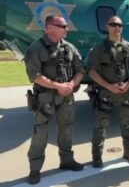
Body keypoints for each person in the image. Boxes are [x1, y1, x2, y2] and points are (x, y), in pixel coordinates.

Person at [24, 14, 85, 184]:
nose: (67, 29)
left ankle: (66, 161)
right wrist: (58, 86)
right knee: (40, 134)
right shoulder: (36, 48)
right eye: (63, 26)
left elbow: (80, 70)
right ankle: (35, 169)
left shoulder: (69, 48)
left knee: (66, 130)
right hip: (45, 98)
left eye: (66, 26)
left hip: (66, 97)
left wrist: (71, 84)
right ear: (50, 28)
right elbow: (34, 75)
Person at [87, 16, 129, 168]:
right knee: (101, 124)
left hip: (125, 91)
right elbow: (91, 71)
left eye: (119, 25)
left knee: (127, 123)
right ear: (107, 26)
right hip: (105, 92)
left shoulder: (128, 47)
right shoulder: (99, 48)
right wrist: (108, 86)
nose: (116, 27)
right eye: (113, 24)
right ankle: (97, 156)